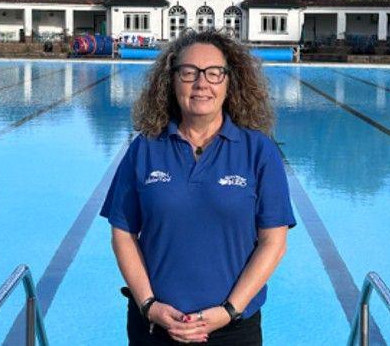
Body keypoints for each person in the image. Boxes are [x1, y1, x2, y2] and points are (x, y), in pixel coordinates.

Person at [100, 30, 297, 345]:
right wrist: (149, 306)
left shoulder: (259, 151)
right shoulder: (145, 148)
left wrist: (228, 310)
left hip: (233, 329)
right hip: (154, 328)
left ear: (229, 81)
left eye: (214, 73)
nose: (202, 83)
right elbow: (123, 233)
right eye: (188, 72)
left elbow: (273, 242)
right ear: (172, 81)